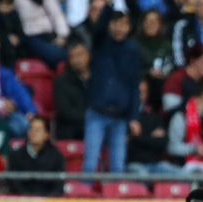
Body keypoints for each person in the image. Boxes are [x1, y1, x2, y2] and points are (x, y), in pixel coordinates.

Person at [83, 9, 140, 174]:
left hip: (120, 117)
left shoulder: (133, 50)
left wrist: (134, 116)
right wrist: (108, 6)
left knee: (118, 167)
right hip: (97, 113)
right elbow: (98, 30)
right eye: (116, 23)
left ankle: (115, 197)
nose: (119, 28)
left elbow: (134, 85)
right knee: (90, 164)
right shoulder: (100, 43)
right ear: (109, 24)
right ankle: (81, 197)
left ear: (129, 27)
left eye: (124, 24)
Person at [8, 116, 64, 196]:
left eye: (38, 130)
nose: (34, 132)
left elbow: (58, 185)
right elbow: (13, 183)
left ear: (46, 134)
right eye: (31, 129)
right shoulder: (16, 155)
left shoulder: (56, 156)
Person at [15, 0, 70, 67]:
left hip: (51, 33)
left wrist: (62, 35)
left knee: (72, 50)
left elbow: (57, 15)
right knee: (55, 55)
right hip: (32, 36)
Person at [53, 40, 90, 140]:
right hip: (72, 129)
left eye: (80, 55)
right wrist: (90, 117)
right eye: (72, 57)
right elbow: (65, 111)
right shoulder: (61, 81)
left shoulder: (99, 79)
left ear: (88, 55)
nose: (77, 60)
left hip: (96, 125)